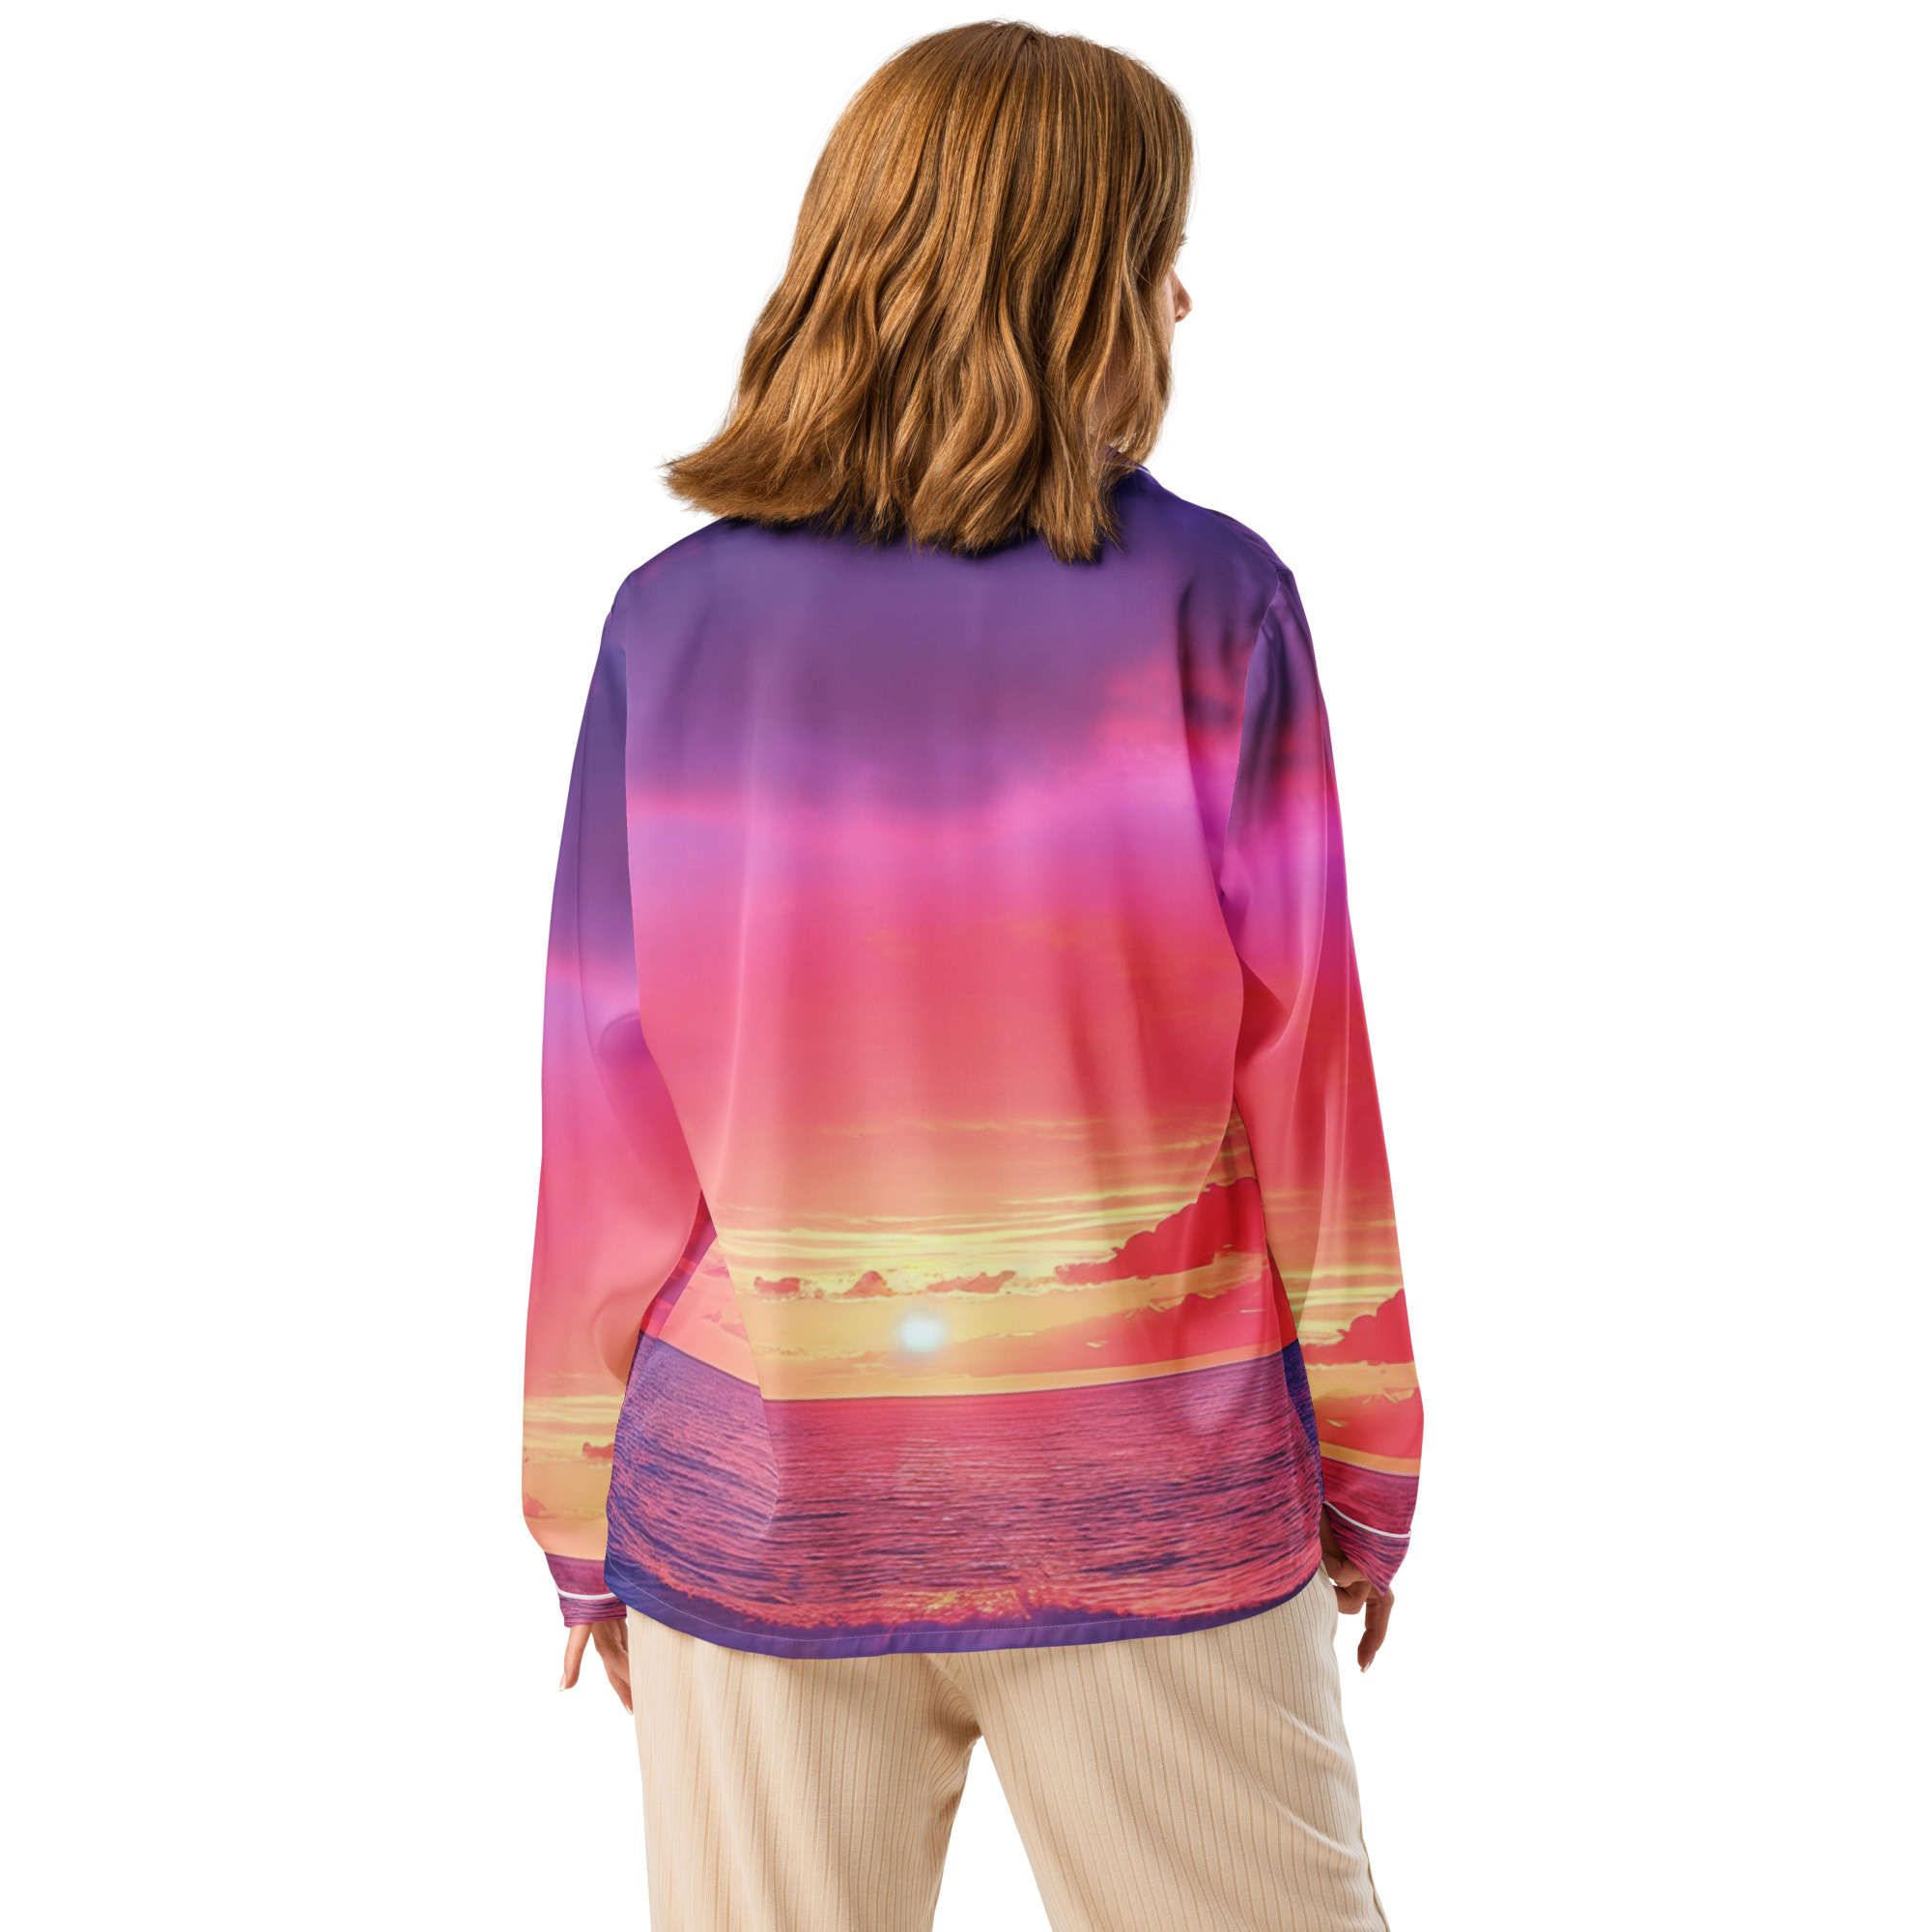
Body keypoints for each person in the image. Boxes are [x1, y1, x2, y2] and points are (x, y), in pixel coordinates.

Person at [521, 21, 1421, 1930]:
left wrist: (579, 1499)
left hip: (757, 1499)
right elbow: (1310, 1080)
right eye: (1155, 251)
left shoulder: (670, 629)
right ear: (1071, 283)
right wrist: (1368, 1458)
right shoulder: (1215, 608)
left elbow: (606, 1107)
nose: (1184, 298)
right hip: (1151, 1502)